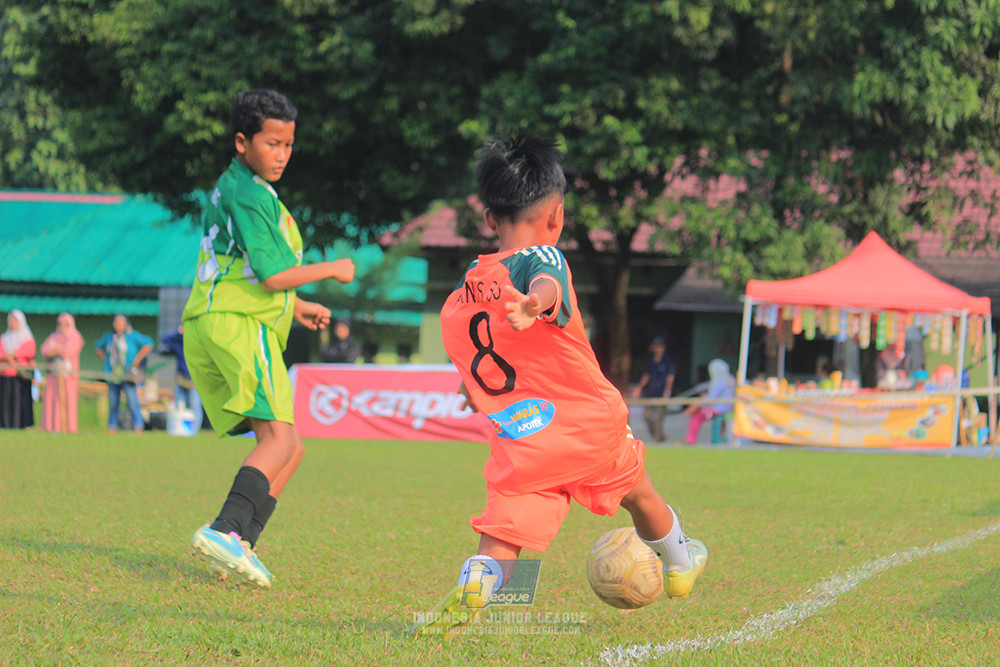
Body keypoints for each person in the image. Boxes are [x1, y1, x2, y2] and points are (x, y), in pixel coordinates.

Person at [412, 134, 707, 636]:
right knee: (641, 494)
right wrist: (536, 302)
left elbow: (474, 352)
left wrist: (473, 389)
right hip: (588, 427)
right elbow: (546, 280)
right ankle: (681, 565)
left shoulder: (470, 284)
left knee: (502, 536)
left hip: (525, 437)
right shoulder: (543, 258)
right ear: (557, 216)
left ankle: (479, 581)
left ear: (489, 221)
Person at [183, 89, 355, 589]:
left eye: (288, 144)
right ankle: (224, 529)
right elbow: (275, 274)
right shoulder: (251, 194)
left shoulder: (241, 187)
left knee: (291, 446)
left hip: (225, 316)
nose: (281, 154)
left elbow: (247, 273)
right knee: (278, 439)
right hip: (235, 324)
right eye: (271, 143)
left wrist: (296, 309)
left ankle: (240, 544)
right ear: (242, 142)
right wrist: (333, 270)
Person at [95, 314, 154, 434]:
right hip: (113, 375)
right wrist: (105, 361)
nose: (118, 325)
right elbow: (97, 346)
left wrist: (137, 360)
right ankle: (112, 427)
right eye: (116, 322)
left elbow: (149, 344)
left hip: (128, 374)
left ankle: (138, 426)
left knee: (132, 402)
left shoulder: (132, 336)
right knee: (113, 403)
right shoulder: (110, 337)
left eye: (121, 322)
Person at [40, 313, 85, 433]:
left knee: (67, 401)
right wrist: (55, 351)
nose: (62, 327)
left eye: (65, 324)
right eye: (60, 324)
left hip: (68, 376)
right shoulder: (54, 336)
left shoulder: (75, 337)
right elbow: (45, 351)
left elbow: (67, 352)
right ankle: (51, 426)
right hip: (53, 374)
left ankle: (68, 427)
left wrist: (55, 350)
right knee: (51, 400)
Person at [631, 336, 676, 442]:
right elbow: (647, 375)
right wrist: (639, 387)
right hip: (651, 392)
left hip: (662, 393)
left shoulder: (668, 360)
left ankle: (658, 440)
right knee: (647, 416)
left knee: (660, 418)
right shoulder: (651, 360)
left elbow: (670, 378)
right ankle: (658, 436)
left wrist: (667, 392)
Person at [160, 324, 203, 430]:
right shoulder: (179, 343)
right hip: (181, 378)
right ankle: (180, 429)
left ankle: (194, 432)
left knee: (195, 406)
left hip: (195, 379)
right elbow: (165, 340)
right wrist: (178, 333)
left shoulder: (199, 344)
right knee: (180, 406)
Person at [684, 359, 736, 444]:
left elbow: (711, 399)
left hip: (718, 410)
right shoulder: (731, 380)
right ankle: (718, 437)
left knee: (696, 416)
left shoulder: (720, 382)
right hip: (729, 408)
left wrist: (699, 405)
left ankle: (691, 439)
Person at [0, 310, 37, 429]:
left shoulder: (26, 338)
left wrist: (15, 355)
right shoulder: (5, 337)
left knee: (19, 401)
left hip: (20, 374)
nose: (12, 323)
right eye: (10, 320)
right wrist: (7, 357)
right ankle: (5, 423)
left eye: (14, 321)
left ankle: (19, 424)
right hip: (5, 373)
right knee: (5, 401)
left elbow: (30, 351)